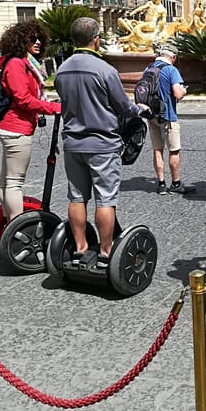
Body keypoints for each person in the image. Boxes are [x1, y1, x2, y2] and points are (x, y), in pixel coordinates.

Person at [54, 17, 149, 264]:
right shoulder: (105, 70)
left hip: (73, 143)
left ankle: (80, 247)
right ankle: (107, 251)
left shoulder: (62, 70)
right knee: (105, 199)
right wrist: (138, 109)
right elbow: (122, 106)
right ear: (96, 39)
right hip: (102, 144)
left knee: (76, 197)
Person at [0, 21, 61, 224]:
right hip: (16, 129)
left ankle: (8, 224)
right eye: (32, 39)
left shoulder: (26, 63)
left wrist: (48, 101)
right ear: (20, 41)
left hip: (14, 128)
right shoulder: (16, 64)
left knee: (7, 180)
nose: (38, 42)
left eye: (39, 38)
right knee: (13, 183)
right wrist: (54, 108)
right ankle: (15, 226)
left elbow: (31, 94)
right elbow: (23, 99)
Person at [148, 44, 196, 195]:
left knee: (157, 149)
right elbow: (177, 94)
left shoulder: (148, 68)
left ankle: (161, 184)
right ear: (173, 57)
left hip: (152, 114)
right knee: (174, 150)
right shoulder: (171, 70)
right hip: (168, 115)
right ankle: (176, 183)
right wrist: (184, 91)